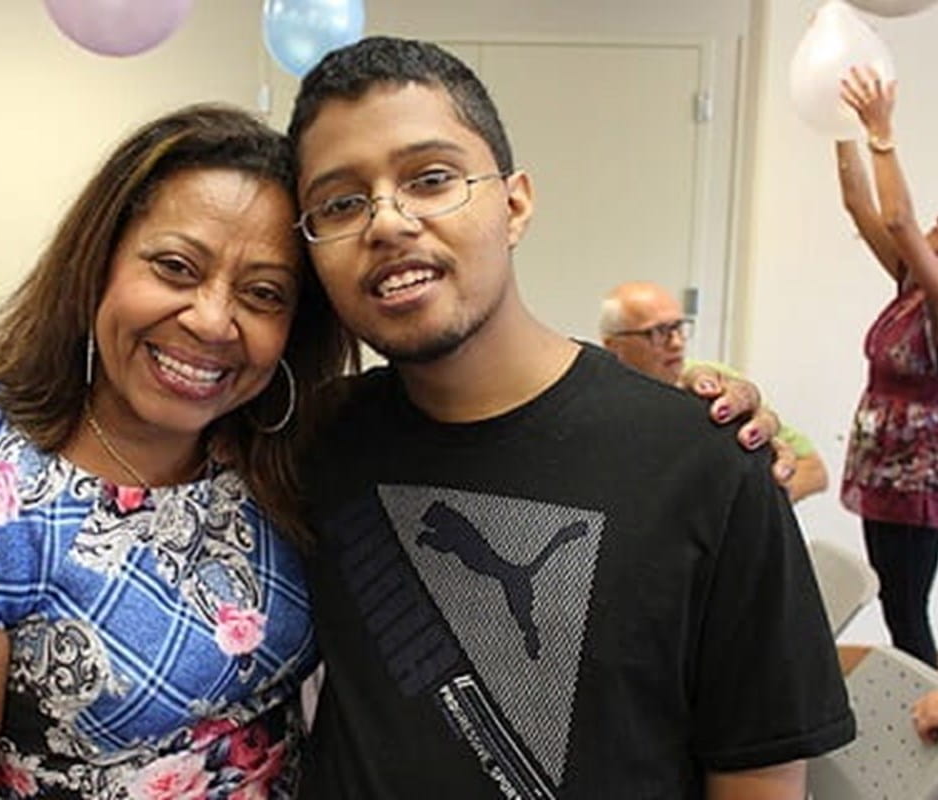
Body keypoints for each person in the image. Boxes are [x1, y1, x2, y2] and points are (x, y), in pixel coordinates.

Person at [287, 35, 854, 799]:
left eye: (430, 178)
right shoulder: (307, 446)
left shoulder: (705, 463)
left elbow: (759, 769)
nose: (386, 221)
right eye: (341, 202)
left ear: (515, 204)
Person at [0, 105, 351, 797]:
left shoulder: (272, 448)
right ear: (99, 262)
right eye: (176, 268)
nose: (214, 320)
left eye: (263, 293)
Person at [837, 65, 938, 668]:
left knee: (905, 612)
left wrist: (881, 131)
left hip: (915, 482)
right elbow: (858, 202)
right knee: (902, 607)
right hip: (883, 474)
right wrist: (836, 122)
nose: (927, 229)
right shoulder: (909, 288)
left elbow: (898, 220)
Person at [600, 280, 829, 503]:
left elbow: (814, 471)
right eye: (658, 332)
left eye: (679, 327)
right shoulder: (593, 398)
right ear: (613, 345)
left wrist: (760, 507)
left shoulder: (720, 387)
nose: (677, 342)